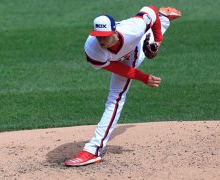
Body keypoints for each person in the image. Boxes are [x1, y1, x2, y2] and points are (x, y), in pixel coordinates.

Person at [65, 6, 182, 166]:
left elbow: (150, 10)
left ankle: (93, 150)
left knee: (116, 97)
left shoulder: (132, 29)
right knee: (116, 94)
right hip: (116, 60)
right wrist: (143, 77)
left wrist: (157, 42)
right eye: (98, 36)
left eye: (105, 36)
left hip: (130, 52)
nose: (101, 40)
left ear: (114, 31)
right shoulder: (92, 49)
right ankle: (164, 18)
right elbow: (116, 68)